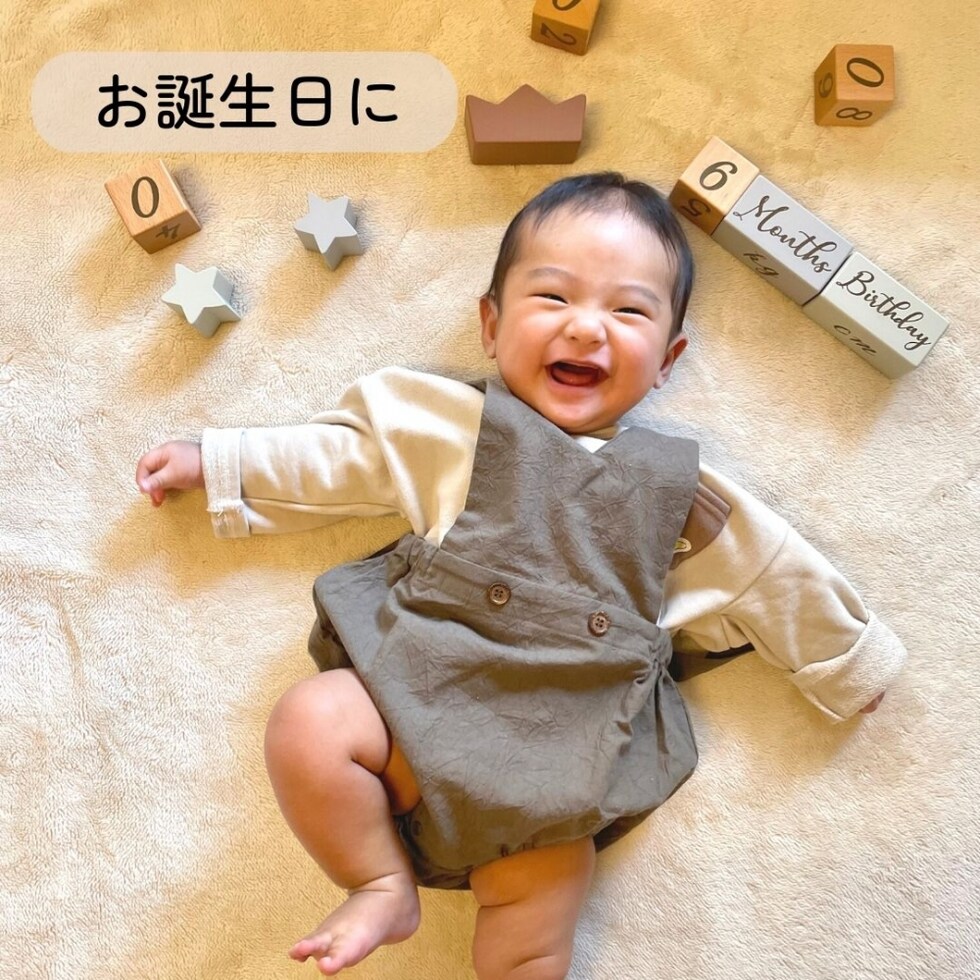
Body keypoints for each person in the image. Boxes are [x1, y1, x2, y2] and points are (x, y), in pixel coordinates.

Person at [135, 173, 905, 979]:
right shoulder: (452, 428)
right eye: (553, 297)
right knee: (310, 721)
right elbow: (339, 460)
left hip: (551, 779)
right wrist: (217, 463)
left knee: (537, 919)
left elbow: (774, 571)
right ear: (491, 325)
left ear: (668, 359)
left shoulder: (678, 497)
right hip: (407, 712)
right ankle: (379, 882)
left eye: (629, 312)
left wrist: (847, 662)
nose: (586, 327)